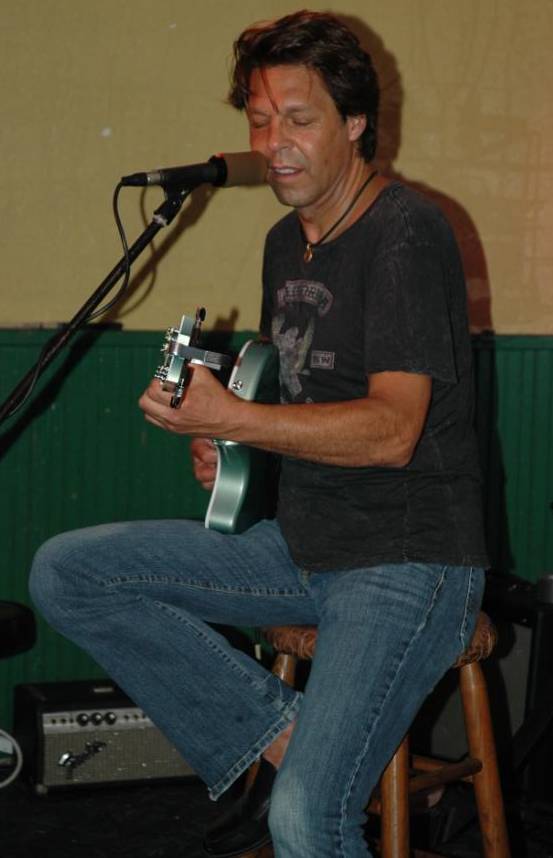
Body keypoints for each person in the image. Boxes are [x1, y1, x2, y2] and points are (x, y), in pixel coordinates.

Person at [29, 10, 489, 858]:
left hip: (408, 562)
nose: (274, 141)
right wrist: (231, 444)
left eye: (299, 119)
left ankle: (306, 761)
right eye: (259, 118)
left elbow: (392, 432)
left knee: (302, 817)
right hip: (302, 548)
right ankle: (287, 732)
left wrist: (234, 417)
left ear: (355, 125)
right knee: (68, 572)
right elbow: (310, 405)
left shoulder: (404, 235)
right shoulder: (287, 242)